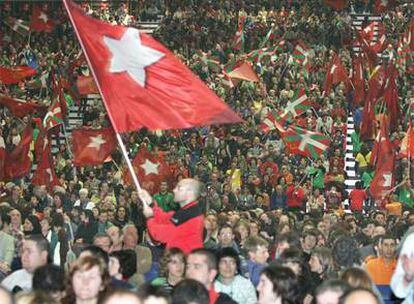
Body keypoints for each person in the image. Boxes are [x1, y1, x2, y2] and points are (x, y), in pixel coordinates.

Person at [139, 178, 204, 254]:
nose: (174, 190)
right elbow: (165, 218)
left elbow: (160, 234)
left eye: (179, 188)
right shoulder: (187, 210)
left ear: (190, 192)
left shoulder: (192, 215)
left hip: (185, 262)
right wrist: (151, 203)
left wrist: (150, 217)